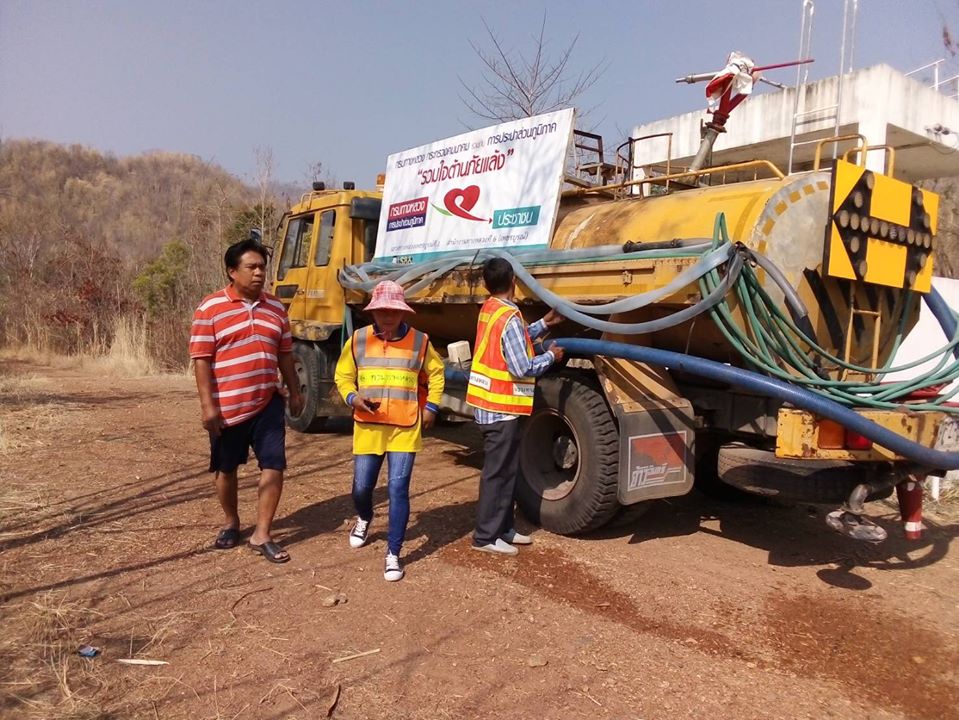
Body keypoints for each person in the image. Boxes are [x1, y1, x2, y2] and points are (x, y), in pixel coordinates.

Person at [189, 237, 303, 564]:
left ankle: (262, 534)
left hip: (268, 401)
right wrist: (208, 407)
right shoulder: (209, 308)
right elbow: (201, 360)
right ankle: (231, 522)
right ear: (232, 271)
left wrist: (295, 391)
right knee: (226, 469)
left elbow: (285, 354)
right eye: (251, 267)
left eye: (262, 267)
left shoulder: (276, 308)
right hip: (227, 408)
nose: (259, 273)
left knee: (274, 464)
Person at [334, 280, 445, 582]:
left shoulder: (420, 341)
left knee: (398, 489)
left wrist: (432, 407)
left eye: (393, 311)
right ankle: (365, 517)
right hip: (368, 426)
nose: (387, 316)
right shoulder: (358, 340)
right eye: (381, 310)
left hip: (404, 427)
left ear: (402, 312)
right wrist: (353, 398)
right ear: (372, 312)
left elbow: (437, 373)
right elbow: (343, 376)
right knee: (361, 488)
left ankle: (393, 553)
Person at [466, 257, 564, 555]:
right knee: (497, 473)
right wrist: (551, 357)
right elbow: (522, 366)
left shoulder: (491, 309)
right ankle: (485, 537)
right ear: (514, 281)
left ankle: (503, 529)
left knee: (507, 471)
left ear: (487, 284)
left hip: (490, 405)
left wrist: (544, 324)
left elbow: (514, 339)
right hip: (500, 408)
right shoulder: (508, 315)